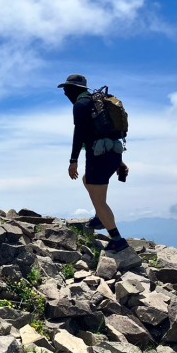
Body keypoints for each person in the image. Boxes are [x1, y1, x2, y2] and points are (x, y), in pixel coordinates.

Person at [58, 74, 129, 253]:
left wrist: (73, 160)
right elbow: (110, 133)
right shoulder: (98, 103)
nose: (65, 93)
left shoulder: (81, 105)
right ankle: (99, 218)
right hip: (112, 153)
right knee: (87, 180)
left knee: (99, 200)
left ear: (75, 90)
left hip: (98, 156)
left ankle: (117, 240)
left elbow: (79, 133)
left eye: (67, 89)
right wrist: (119, 162)